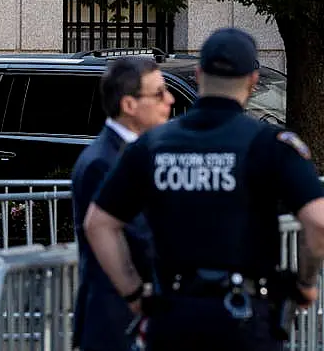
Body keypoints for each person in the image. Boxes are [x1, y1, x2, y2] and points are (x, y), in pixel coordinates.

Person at [83, 27, 324, 351]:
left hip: (173, 314)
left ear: (198, 74)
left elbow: (98, 224)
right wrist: (306, 282)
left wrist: (134, 293)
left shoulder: (153, 145)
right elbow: (318, 221)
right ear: (253, 81)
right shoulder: (270, 144)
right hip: (243, 315)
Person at [71, 56, 174, 351]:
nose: (169, 99)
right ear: (129, 105)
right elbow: (137, 234)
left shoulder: (134, 153)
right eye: (158, 93)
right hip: (115, 316)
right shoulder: (102, 162)